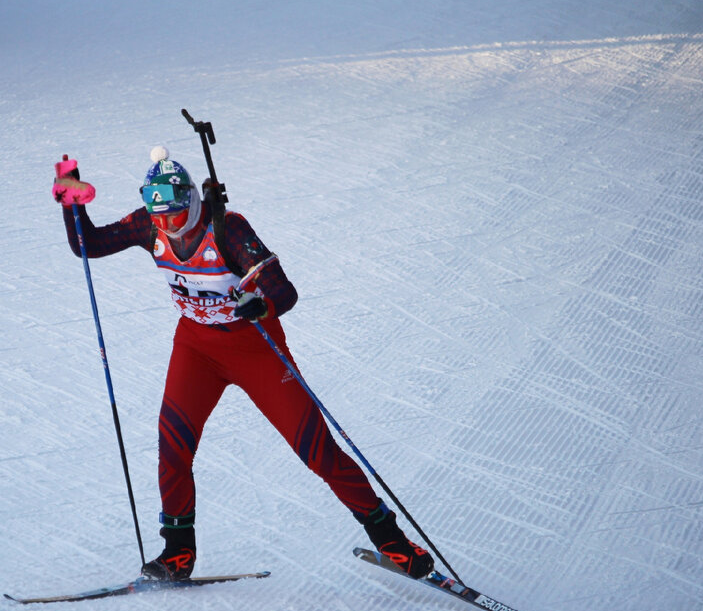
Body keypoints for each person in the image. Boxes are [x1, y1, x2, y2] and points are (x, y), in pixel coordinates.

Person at [53, 147, 434, 580]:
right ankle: (178, 553)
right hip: (196, 348)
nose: (169, 229)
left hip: (254, 349)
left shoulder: (228, 230)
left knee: (317, 451)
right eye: (160, 219)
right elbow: (90, 245)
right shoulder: (151, 223)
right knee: (172, 444)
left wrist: (260, 305)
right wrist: (71, 201)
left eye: (176, 218)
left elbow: (283, 292)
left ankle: (393, 543)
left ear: (192, 203)